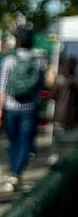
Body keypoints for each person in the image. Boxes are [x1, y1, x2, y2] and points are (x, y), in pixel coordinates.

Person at [0, 25, 44, 192]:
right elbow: (41, 86)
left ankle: (13, 172)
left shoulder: (10, 60)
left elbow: (2, 86)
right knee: (26, 141)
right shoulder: (38, 60)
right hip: (30, 107)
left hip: (11, 106)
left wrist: (1, 108)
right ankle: (17, 173)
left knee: (13, 141)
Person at [48, 55, 78, 164]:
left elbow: (53, 96)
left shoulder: (71, 80)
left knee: (61, 138)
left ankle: (58, 157)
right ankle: (59, 157)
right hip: (68, 116)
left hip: (64, 116)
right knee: (62, 138)